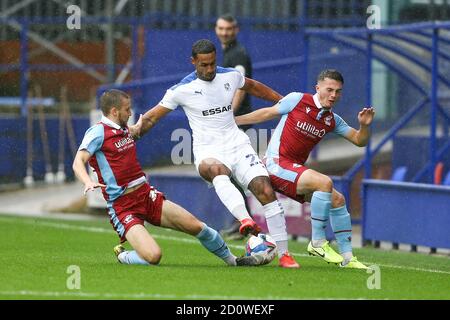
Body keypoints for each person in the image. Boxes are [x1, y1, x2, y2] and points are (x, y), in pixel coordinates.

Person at [132, 39, 299, 268]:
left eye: (212, 63)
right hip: (207, 151)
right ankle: (245, 220)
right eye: (203, 65)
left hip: (238, 144)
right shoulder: (181, 90)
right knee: (217, 170)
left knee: (265, 190)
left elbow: (252, 86)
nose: (209, 69)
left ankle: (285, 255)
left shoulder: (229, 76)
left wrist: (281, 101)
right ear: (193, 62)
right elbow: (151, 117)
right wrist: (133, 134)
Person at [72, 89, 268, 267]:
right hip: (123, 206)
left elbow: (126, 136)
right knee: (153, 256)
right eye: (126, 109)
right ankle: (123, 256)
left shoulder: (122, 128)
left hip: (145, 195)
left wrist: (136, 129)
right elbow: (78, 161)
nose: (130, 113)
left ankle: (234, 261)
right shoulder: (97, 132)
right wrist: (87, 181)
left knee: (197, 226)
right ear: (114, 111)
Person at [235, 69, 375, 269]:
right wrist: (233, 122)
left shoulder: (332, 120)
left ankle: (348, 258)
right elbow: (266, 113)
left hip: (292, 172)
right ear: (318, 88)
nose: (334, 95)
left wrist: (365, 126)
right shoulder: (297, 100)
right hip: (275, 164)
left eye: (338, 91)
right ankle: (317, 242)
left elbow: (359, 141)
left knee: (338, 200)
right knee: (324, 183)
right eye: (329, 89)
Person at [215, 14, 254, 240]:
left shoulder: (238, 54)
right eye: (221, 28)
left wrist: (228, 116)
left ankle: (245, 222)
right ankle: (242, 221)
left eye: (228, 29)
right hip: (234, 121)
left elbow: (240, 87)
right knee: (230, 173)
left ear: (236, 29)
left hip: (236, 122)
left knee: (234, 172)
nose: (224, 32)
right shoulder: (229, 52)